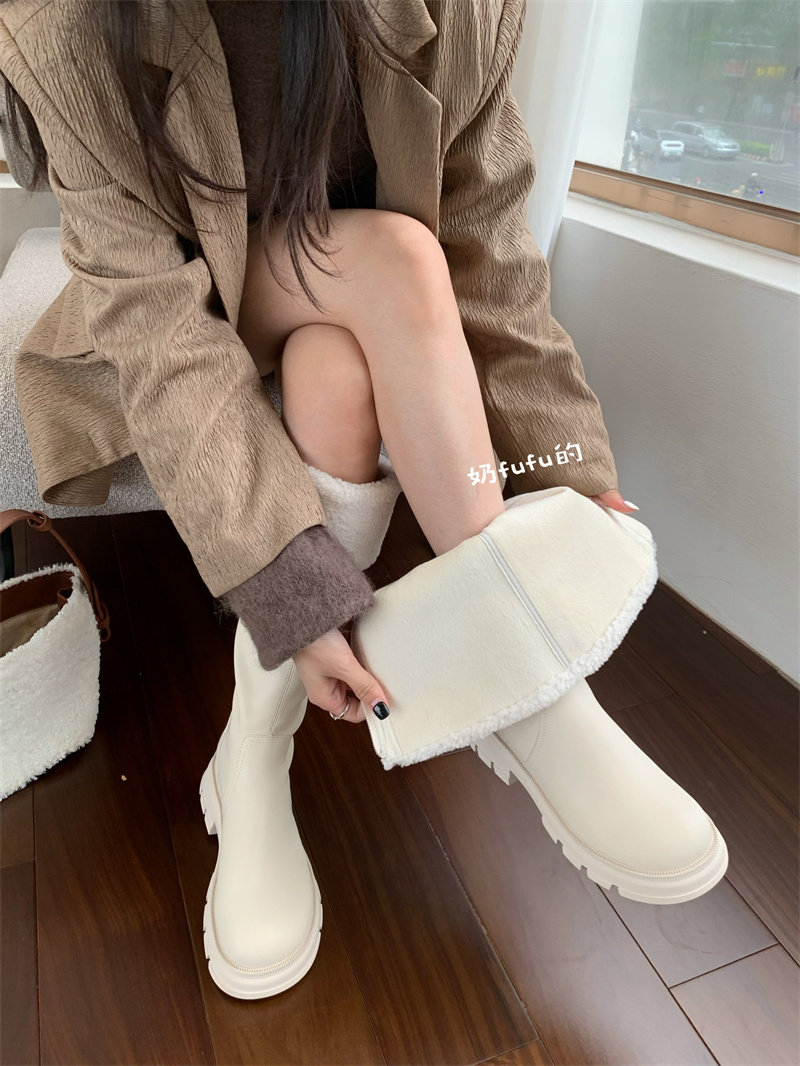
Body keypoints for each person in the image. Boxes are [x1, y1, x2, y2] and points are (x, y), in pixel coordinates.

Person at [0, 0, 727, 1003]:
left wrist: (564, 470)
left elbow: (483, 234)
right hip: (185, 293)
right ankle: (530, 672)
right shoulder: (63, 24)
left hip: (344, 294)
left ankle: (252, 754)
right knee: (397, 258)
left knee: (334, 363)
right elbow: (154, 321)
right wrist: (292, 595)